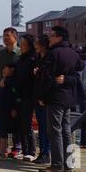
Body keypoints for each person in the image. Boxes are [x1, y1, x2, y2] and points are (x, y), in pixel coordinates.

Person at [39, 26, 85, 172]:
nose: (49, 38)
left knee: (54, 131)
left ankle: (57, 165)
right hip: (69, 97)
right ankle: (69, 164)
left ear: (59, 37)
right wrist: (67, 79)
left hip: (55, 97)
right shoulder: (74, 53)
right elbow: (78, 72)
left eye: (52, 35)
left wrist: (42, 97)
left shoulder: (54, 54)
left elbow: (47, 78)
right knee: (66, 130)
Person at [0, 27, 22, 159]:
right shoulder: (1, 54)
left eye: (8, 36)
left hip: (15, 91)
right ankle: (2, 147)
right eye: (4, 36)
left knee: (15, 119)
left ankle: (17, 147)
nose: (5, 38)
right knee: (0, 120)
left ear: (15, 37)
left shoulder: (20, 54)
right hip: (1, 90)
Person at [0, 64, 20, 160]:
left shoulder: (12, 81)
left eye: (5, 69)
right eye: (3, 69)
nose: (3, 70)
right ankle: (0, 149)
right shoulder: (4, 80)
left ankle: (3, 151)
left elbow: (15, 96)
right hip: (0, 107)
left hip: (6, 108)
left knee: (3, 129)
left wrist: (14, 108)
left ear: (11, 69)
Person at [15, 34, 36, 162]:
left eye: (24, 45)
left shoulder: (33, 59)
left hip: (29, 95)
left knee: (28, 125)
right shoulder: (20, 59)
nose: (21, 47)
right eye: (20, 44)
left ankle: (31, 151)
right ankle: (24, 149)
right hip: (19, 95)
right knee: (21, 124)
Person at [32, 34, 51, 164]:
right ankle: (42, 152)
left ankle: (46, 153)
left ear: (43, 45)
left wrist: (43, 97)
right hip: (38, 97)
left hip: (44, 99)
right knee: (42, 126)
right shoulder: (39, 58)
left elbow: (48, 80)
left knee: (45, 127)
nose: (35, 46)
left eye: (37, 44)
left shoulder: (49, 59)